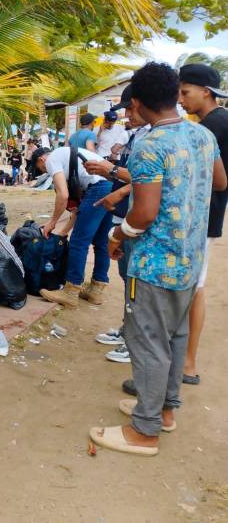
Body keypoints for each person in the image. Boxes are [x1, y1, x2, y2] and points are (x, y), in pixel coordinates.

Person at [89, 62, 227, 457]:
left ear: (136, 102)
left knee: (146, 340)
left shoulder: (151, 145)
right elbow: (220, 182)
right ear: (173, 95)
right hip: (189, 259)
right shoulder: (202, 134)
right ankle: (165, 411)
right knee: (174, 335)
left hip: (153, 262)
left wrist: (118, 235)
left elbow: (144, 214)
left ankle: (144, 430)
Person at [84, 84, 147, 360]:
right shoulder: (137, 135)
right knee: (127, 278)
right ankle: (127, 330)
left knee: (138, 283)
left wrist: (110, 169)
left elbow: (149, 181)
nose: (125, 117)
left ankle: (135, 342)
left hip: (137, 220)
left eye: (130, 109)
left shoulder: (156, 139)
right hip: (124, 212)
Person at [173, 63, 228, 385]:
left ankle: (188, 362)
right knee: (195, 288)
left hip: (202, 218)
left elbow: (217, 180)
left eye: (185, 92)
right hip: (205, 217)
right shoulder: (213, 122)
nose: (181, 99)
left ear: (205, 92)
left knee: (195, 289)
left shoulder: (212, 127)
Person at [30, 142, 114, 308]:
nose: (46, 172)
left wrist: (52, 222)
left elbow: (63, 195)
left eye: (41, 169)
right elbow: (78, 211)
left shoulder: (52, 159)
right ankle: (96, 290)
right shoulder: (67, 157)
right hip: (111, 187)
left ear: (41, 160)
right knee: (101, 242)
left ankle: (70, 291)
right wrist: (62, 233)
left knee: (78, 243)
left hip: (98, 188)